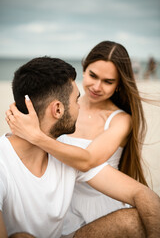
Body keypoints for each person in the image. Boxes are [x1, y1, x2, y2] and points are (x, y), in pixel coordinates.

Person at [4, 58, 160, 237]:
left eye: (108, 81)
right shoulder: (4, 162)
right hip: (71, 213)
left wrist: (37, 137)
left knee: (134, 220)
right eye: (76, 100)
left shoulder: (69, 153)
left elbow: (140, 192)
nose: (96, 87)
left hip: (94, 204)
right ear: (57, 110)